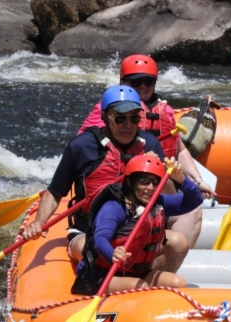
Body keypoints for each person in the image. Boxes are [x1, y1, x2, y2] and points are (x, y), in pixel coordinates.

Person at [22, 84, 188, 274]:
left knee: (179, 243)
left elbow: (169, 197)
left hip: (136, 231)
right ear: (106, 118)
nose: (128, 125)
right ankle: (116, 281)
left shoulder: (149, 143)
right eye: (120, 118)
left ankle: (141, 286)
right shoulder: (82, 146)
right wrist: (39, 222)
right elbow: (55, 192)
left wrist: (163, 172)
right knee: (90, 249)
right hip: (88, 232)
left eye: (134, 118)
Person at [78, 54, 216, 248]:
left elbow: (178, 147)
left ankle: (166, 257)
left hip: (158, 181)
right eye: (136, 81)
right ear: (123, 82)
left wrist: (198, 180)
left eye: (148, 81)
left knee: (193, 210)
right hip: (126, 183)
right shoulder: (107, 109)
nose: (143, 86)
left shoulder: (164, 111)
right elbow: (87, 145)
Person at [71, 155, 203, 295]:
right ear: (130, 182)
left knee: (179, 284)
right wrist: (113, 254)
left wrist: (181, 179)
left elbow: (195, 199)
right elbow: (100, 240)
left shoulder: (157, 203)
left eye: (155, 182)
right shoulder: (114, 207)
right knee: (140, 286)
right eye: (144, 181)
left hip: (139, 273)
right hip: (102, 275)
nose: (150, 188)